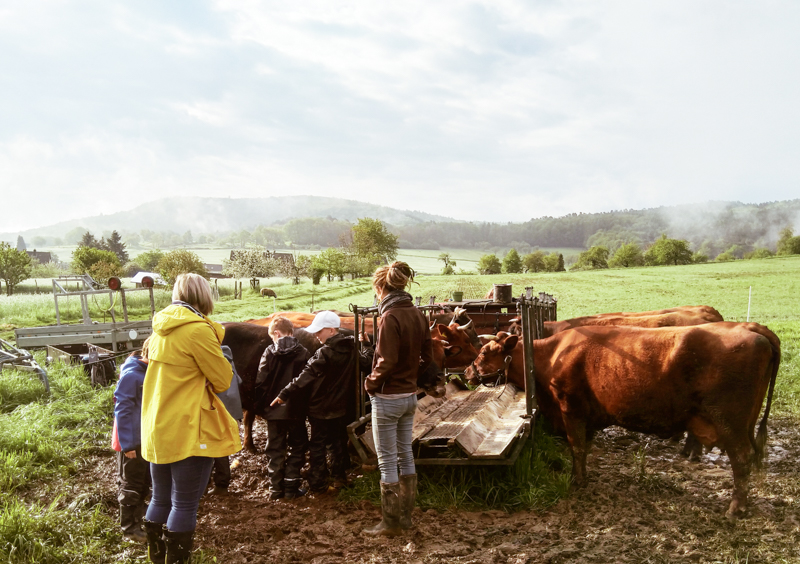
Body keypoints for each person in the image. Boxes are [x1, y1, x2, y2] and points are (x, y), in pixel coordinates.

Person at [141, 273, 242, 564]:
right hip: (189, 426)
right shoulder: (197, 330)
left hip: (158, 424)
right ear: (204, 296)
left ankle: (156, 558)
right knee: (184, 503)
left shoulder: (160, 328)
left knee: (160, 498)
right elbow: (223, 380)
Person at [362, 261, 432, 537]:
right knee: (406, 454)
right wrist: (412, 375)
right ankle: (406, 519)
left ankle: (389, 523)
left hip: (388, 397)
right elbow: (427, 356)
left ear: (381, 288)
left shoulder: (389, 317)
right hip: (410, 396)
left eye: (376, 291)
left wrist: (371, 383)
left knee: (387, 460)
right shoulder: (417, 314)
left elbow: (386, 360)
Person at [270, 310, 370, 494]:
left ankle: (318, 483)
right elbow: (367, 364)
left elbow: (305, 376)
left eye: (319, 331)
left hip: (319, 407)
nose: (316, 335)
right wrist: (368, 346)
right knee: (337, 441)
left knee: (317, 445)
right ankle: (339, 477)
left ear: (332, 331)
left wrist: (285, 393)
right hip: (341, 407)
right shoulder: (351, 349)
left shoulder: (324, 353)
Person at [255, 315, 310, 500]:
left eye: (272, 337)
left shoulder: (269, 352)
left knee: (275, 449)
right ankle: (291, 485)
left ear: (276, 333)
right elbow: (307, 382)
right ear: (291, 332)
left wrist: (263, 408)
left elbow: (261, 382)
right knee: (298, 446)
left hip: (273, 411)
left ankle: (275, 488)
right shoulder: (303, 352)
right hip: (296, 410)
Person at [113, 337, 153, 543]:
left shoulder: (145, 373)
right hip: (133, 441)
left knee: (144, 480)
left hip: (144, 438)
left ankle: (138, 518)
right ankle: (129, 528)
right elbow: (123, 409)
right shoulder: (133, 376)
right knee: (131, 483)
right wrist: (127, 443)